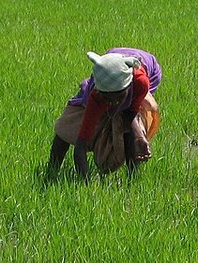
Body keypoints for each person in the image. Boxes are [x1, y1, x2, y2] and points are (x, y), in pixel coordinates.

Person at [45, 48, 162, 181]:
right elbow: (81, 144)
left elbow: (130, 113)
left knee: (127, 124)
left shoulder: (141, 83)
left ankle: (133, 176)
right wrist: (85, 183)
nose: (113, 102)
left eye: (118, 97)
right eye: (108, 99)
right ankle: (52, 169)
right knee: (69, 124)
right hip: (109, 68)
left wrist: (139, 137)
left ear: (128, 87)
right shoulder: (96, 96)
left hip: (143, 71)